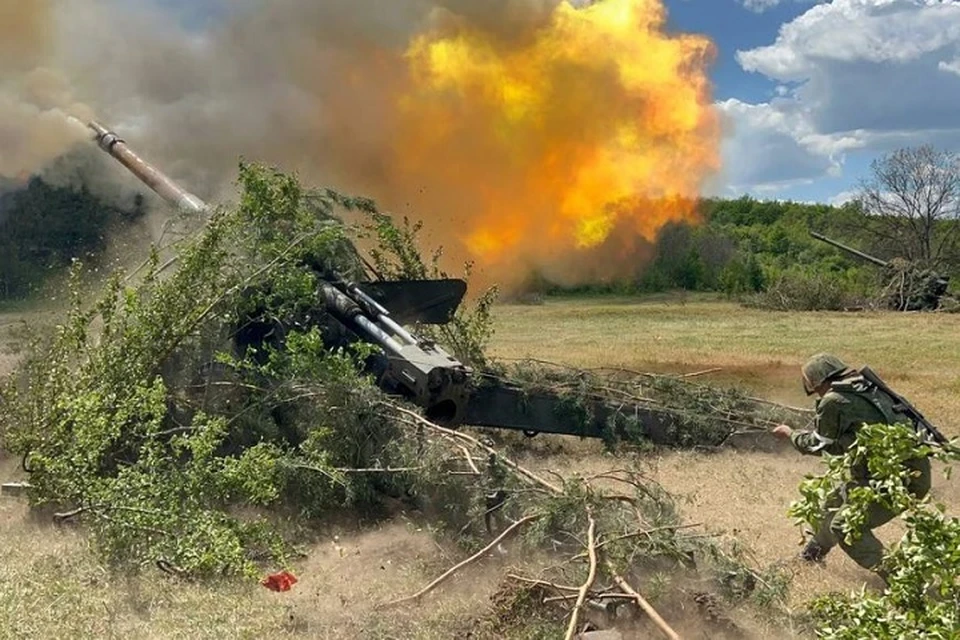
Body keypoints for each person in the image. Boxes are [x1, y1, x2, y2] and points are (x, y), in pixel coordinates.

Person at [771, 353, 931, 580]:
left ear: (819, 382)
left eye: (815, 387)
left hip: (897, 481)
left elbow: (818, 445)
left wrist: (791, 434)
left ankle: (902, 580)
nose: (816, 393)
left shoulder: (833, 400)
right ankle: (812, 555)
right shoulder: (867, 388)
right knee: (833, 505)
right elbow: (849, 442)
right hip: (903, 473)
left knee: (846, 527)